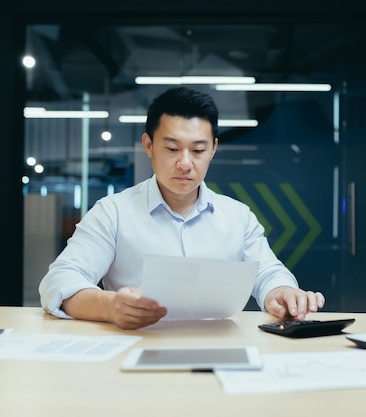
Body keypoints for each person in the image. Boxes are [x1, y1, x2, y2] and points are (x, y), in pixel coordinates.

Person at [39, 86, 326, 330]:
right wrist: (109, 306)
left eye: (198, 150)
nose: (185, 163)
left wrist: (283, 292)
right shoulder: (112, 212)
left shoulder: (238, 217)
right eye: (172, 149)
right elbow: (60, 281)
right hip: (136, 348)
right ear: (149, 145)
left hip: (220, 352)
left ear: (213, 148)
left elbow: (267, 273)